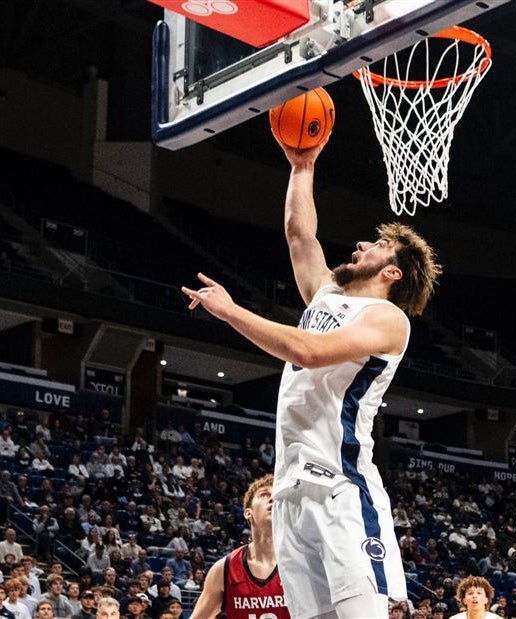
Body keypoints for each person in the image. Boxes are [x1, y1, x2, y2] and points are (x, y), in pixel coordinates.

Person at [181, 137, 440, 619]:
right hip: (290, 495)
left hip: (342, 489)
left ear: (393, 274)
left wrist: (232, 311)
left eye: (378, 246)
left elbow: (309, 351)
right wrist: (302, 166)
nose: (362, 245)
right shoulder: (325, 295)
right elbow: (301, 235)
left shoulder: (387, 321)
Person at [189, 475, 287, 619]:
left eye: (277, 496)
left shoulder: (300, 563)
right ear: (248, 513)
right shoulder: (224, 569)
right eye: (264, 495)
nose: (273, 499)